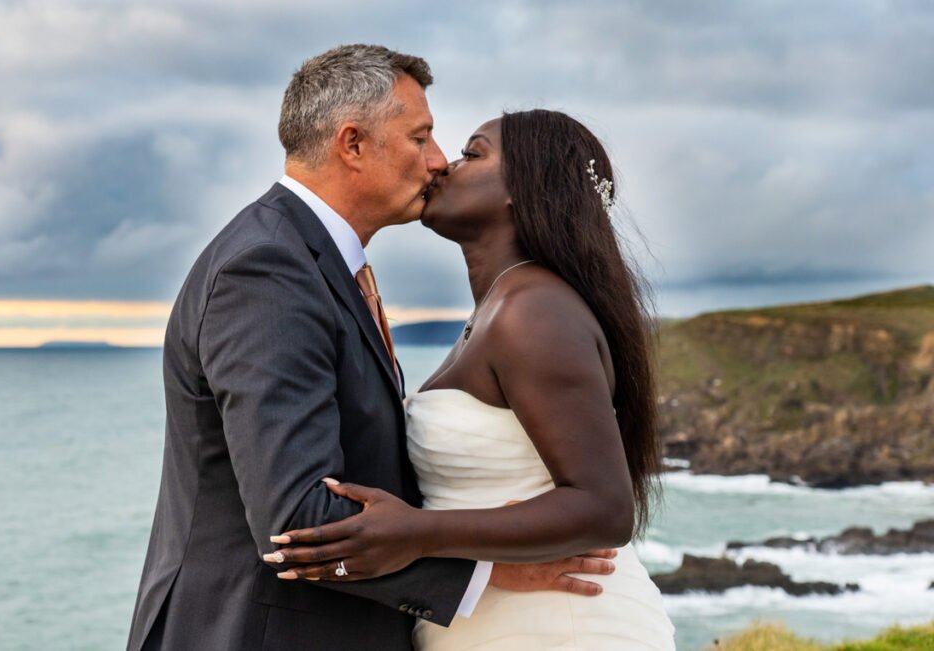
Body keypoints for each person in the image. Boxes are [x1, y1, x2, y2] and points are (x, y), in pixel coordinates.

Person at [126, 47, 619, 651]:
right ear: (353, 145)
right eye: (421, 138)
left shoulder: (317, 262)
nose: (438, 162)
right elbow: (298, 523)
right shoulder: (268, 269)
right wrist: (480, 575)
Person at [267, 109, 676, 649]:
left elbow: (604, 507)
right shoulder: (501, 308)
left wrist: (416, 533)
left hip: (560, 625)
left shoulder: (534, 311)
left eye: (472, 153)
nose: (441, 166)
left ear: (522, 190)